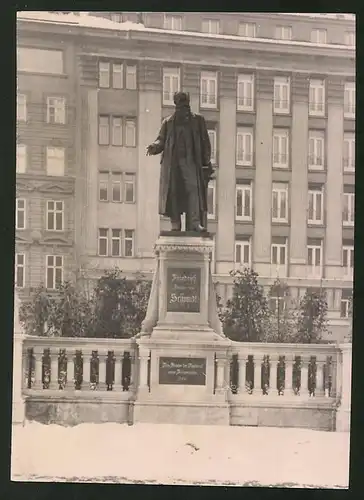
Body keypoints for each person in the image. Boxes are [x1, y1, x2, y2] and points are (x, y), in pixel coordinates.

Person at [146, 91, 215, 232]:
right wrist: (154, 146)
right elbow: (161, 139)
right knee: (174, 193)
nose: (183, 110)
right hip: (173, 165)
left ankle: (194, 223)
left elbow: (205, 142)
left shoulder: (198, 121)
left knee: (193, 192)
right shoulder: (168, 122)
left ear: (188, 105)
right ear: (176, 106)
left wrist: (205, 162)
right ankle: (175, 224)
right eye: (180, 106)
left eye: (185, 106)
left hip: (191, 164)